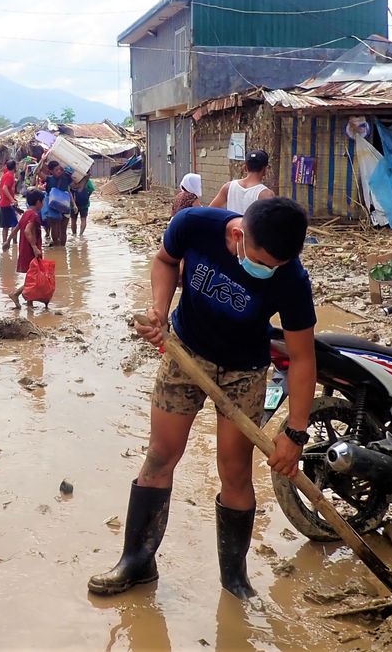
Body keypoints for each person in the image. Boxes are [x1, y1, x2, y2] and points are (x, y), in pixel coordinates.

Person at [87, 198, 317, 601]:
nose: (269, 271)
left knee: (234, 471)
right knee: (160, 455)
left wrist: (294, 433)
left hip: (243, 373)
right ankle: (136, 562)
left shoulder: (290, 278)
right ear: (237, 235)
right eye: (263, 262)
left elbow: (301, 358)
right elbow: (164, 262)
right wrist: (159, 310)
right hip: (185, 354)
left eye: (278, 265)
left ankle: (234, 580)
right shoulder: (194, 224)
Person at [7, 189, 45, 308]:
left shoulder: (26, 214)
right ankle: (16, 294)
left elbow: (16, 228)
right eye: (43, 201)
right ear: (38, 202)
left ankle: (30, 303)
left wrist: (7, 241)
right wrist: (34, 247)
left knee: (31, 275)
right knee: (34, 277)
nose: (43, 204)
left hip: (24, 249)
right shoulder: (33, 215)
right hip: (31, 250)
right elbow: (28, 231)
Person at [210, 150, 274, 214]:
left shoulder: (228, 187)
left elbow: (209, 211)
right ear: (265, 170)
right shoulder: (266, 194)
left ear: (245, 168)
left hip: (232, 223)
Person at [0, 159, 20, 251]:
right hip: (7, 205)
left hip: (2, 204)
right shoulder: (10, 176)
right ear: (15, 167)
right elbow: (4, 188)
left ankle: (5, 245)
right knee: (15, 225)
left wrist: (13, 198)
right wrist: (12, 200)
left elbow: (2, 188)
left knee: (5, 226)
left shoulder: (6, 175)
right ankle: (14, 244)